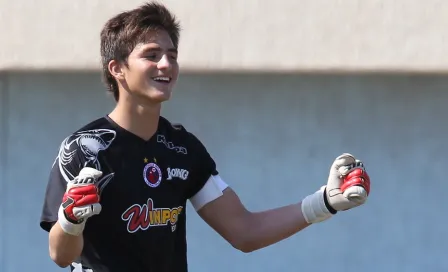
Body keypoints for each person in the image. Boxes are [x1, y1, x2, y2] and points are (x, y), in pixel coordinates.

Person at [39, 2, 372, 272]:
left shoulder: (183, 150)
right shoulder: (84, 148)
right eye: (152, 54)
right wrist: (70, 220)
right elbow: (61, 255)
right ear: (117, 68)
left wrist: (325, 202)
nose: (166, 64)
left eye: (172, 55)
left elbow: (244, 231)